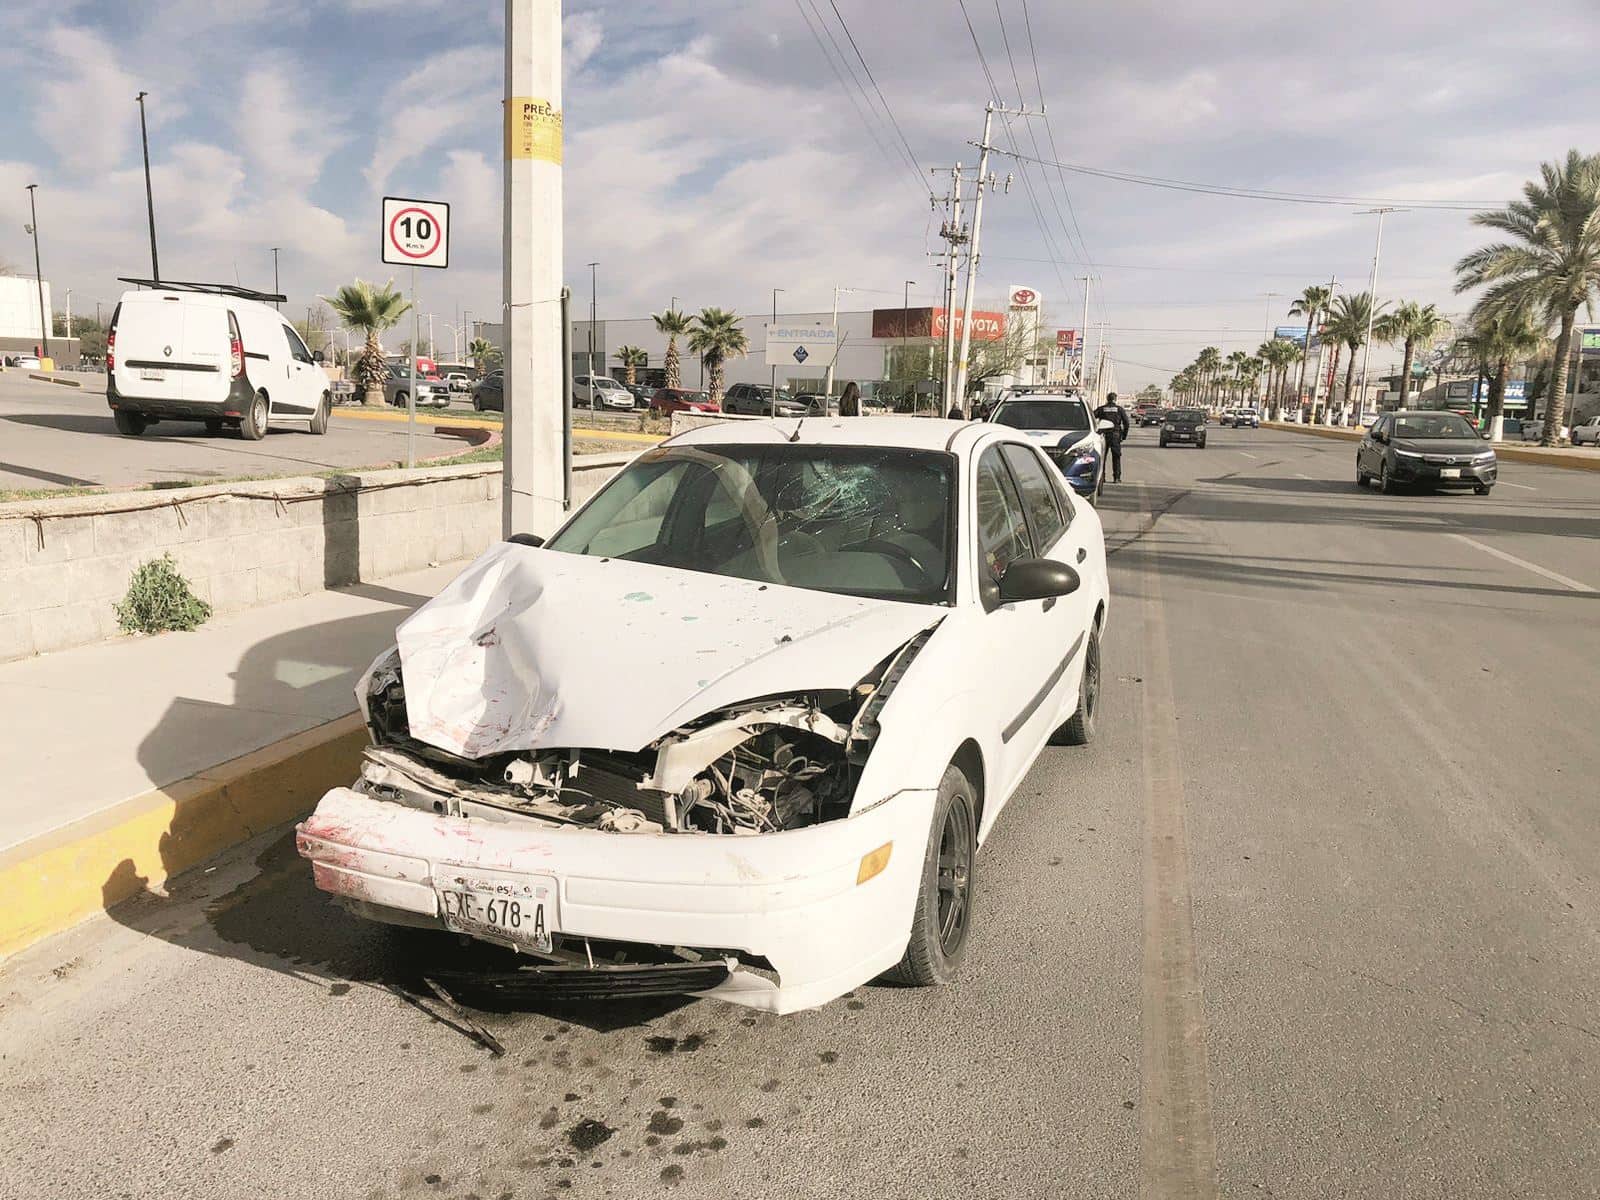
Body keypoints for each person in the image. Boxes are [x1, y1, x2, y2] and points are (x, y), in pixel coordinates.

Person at [1093, 391, 1130, 483]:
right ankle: (1116, 478)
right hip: (1115, 436)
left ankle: (1102, 477)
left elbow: (1092, 417)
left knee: (1102, 458)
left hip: (1103, 435)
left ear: (1107, 399)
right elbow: (1126, 423)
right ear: (1115, 399)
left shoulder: (1101, 409)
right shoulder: (1119, 409)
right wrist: (1124, 435)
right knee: (1116, 457)